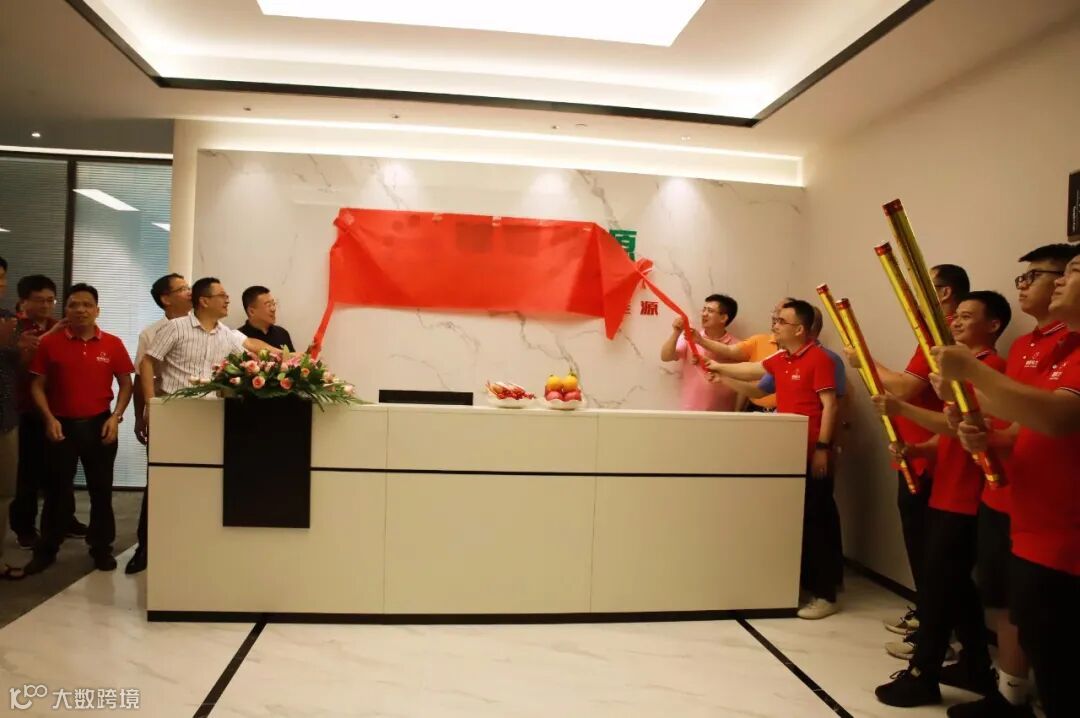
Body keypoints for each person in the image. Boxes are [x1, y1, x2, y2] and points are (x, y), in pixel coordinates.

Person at [933, 254, 1080, 718]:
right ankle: (1010, 696)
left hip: (1064, 532)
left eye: (1074, 271)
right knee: (1030, 629)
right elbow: (1025, 424)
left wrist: (971, 374)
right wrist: (987, 433)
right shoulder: (1057, 347)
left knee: (1061, 663)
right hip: (1028, 519)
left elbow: (1058, 418)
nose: (1063, 281)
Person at [873, 291, 1012, 709]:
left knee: (937, 587)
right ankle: (975, 665)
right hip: (947, 489)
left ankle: (923, 674)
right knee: (957, 587)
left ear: (993, 326)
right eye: (958, 315)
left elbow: (969, 428)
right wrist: (918, 449)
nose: (957, 321)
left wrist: (902, 408)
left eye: (968, 316)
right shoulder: (961, 367)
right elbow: (951, 435)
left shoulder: (990, 369)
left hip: (968, 495)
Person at [846, 263, 970, 659]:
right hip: (915, 455)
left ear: (944, 293)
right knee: (924, 550)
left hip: (932, 461)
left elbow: (903, 388)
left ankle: (937, 636)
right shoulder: (931, 333)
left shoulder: (941, 335)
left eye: (922, 285)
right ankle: (929, 618)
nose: (912, 293)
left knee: (932, 554)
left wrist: (864, 359)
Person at [713, 299, 843, 619]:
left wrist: (823, 448)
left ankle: (826, 595)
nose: (775, 325)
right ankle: (803, 584)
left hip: (813, 453)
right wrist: (718, 368)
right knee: (795, 519)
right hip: (787, 453)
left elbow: (831, 406)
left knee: (817, 521)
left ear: (800, 329)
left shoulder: (820, 358)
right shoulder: (781, 358)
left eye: (781, 321)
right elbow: (754, 376)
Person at [23, 284, 134, 575]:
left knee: (101, 490)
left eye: (87, 304)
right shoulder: (50, 343)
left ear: (97, 310)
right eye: (74, 304)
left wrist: (116, 417)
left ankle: (101, 548)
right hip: (60, 426)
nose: (80, 310)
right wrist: (49, 418)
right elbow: (36, 385)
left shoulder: (113, 344)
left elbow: (126, 383)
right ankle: (47, 549)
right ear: (66, 309)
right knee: (57, 491)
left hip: (100, 425)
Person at [8, 274, 88, 549]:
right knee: (28, 472)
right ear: (24, 301)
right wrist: (47, 338)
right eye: (39, 300)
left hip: (60, 408)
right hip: (26, 409)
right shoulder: (14, 328)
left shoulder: (59, 325)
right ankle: (24, 527)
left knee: (61, 471)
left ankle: (64, 519)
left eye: (50, 300)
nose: (45, 305)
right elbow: (19, 367)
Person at [140, 278, 279, 425]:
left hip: (210, 411)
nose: (227, 301)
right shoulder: (176, 327)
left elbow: (249, 360)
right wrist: (151, 404)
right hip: (173, 407)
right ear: (204, 301)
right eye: (222, 296)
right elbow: (147, 362)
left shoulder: (226, 333)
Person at [125, 273, 192, 575]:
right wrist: (141, 416)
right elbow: (142, 378)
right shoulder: (151, 334)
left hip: (200, 418)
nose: (189, 292)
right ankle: (145, 547)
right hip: (166, 414)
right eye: (183, 289)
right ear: (166, 298)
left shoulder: (205, 328)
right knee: (158, 481)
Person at [659, 294, 741, 411]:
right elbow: (665, 356)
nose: (704, 314)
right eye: (704, 309)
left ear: (723, 318)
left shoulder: (737, 346)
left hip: (724, 413)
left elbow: (745, 382)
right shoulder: (690, 337)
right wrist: (676, 332)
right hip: (690, 410)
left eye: (710, 311)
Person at [0, 256, 28, 580]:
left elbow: (17, 368)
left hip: (5, 417)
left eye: (2, 277)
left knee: (4, 493)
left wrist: (22, 349)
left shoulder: (8, 319)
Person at [238, 286, 294, 352]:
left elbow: (293, 357)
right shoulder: (238, 338)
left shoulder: (282, 333)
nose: (273, 309)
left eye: (273, 304)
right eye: (268, 305)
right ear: (251, 311)